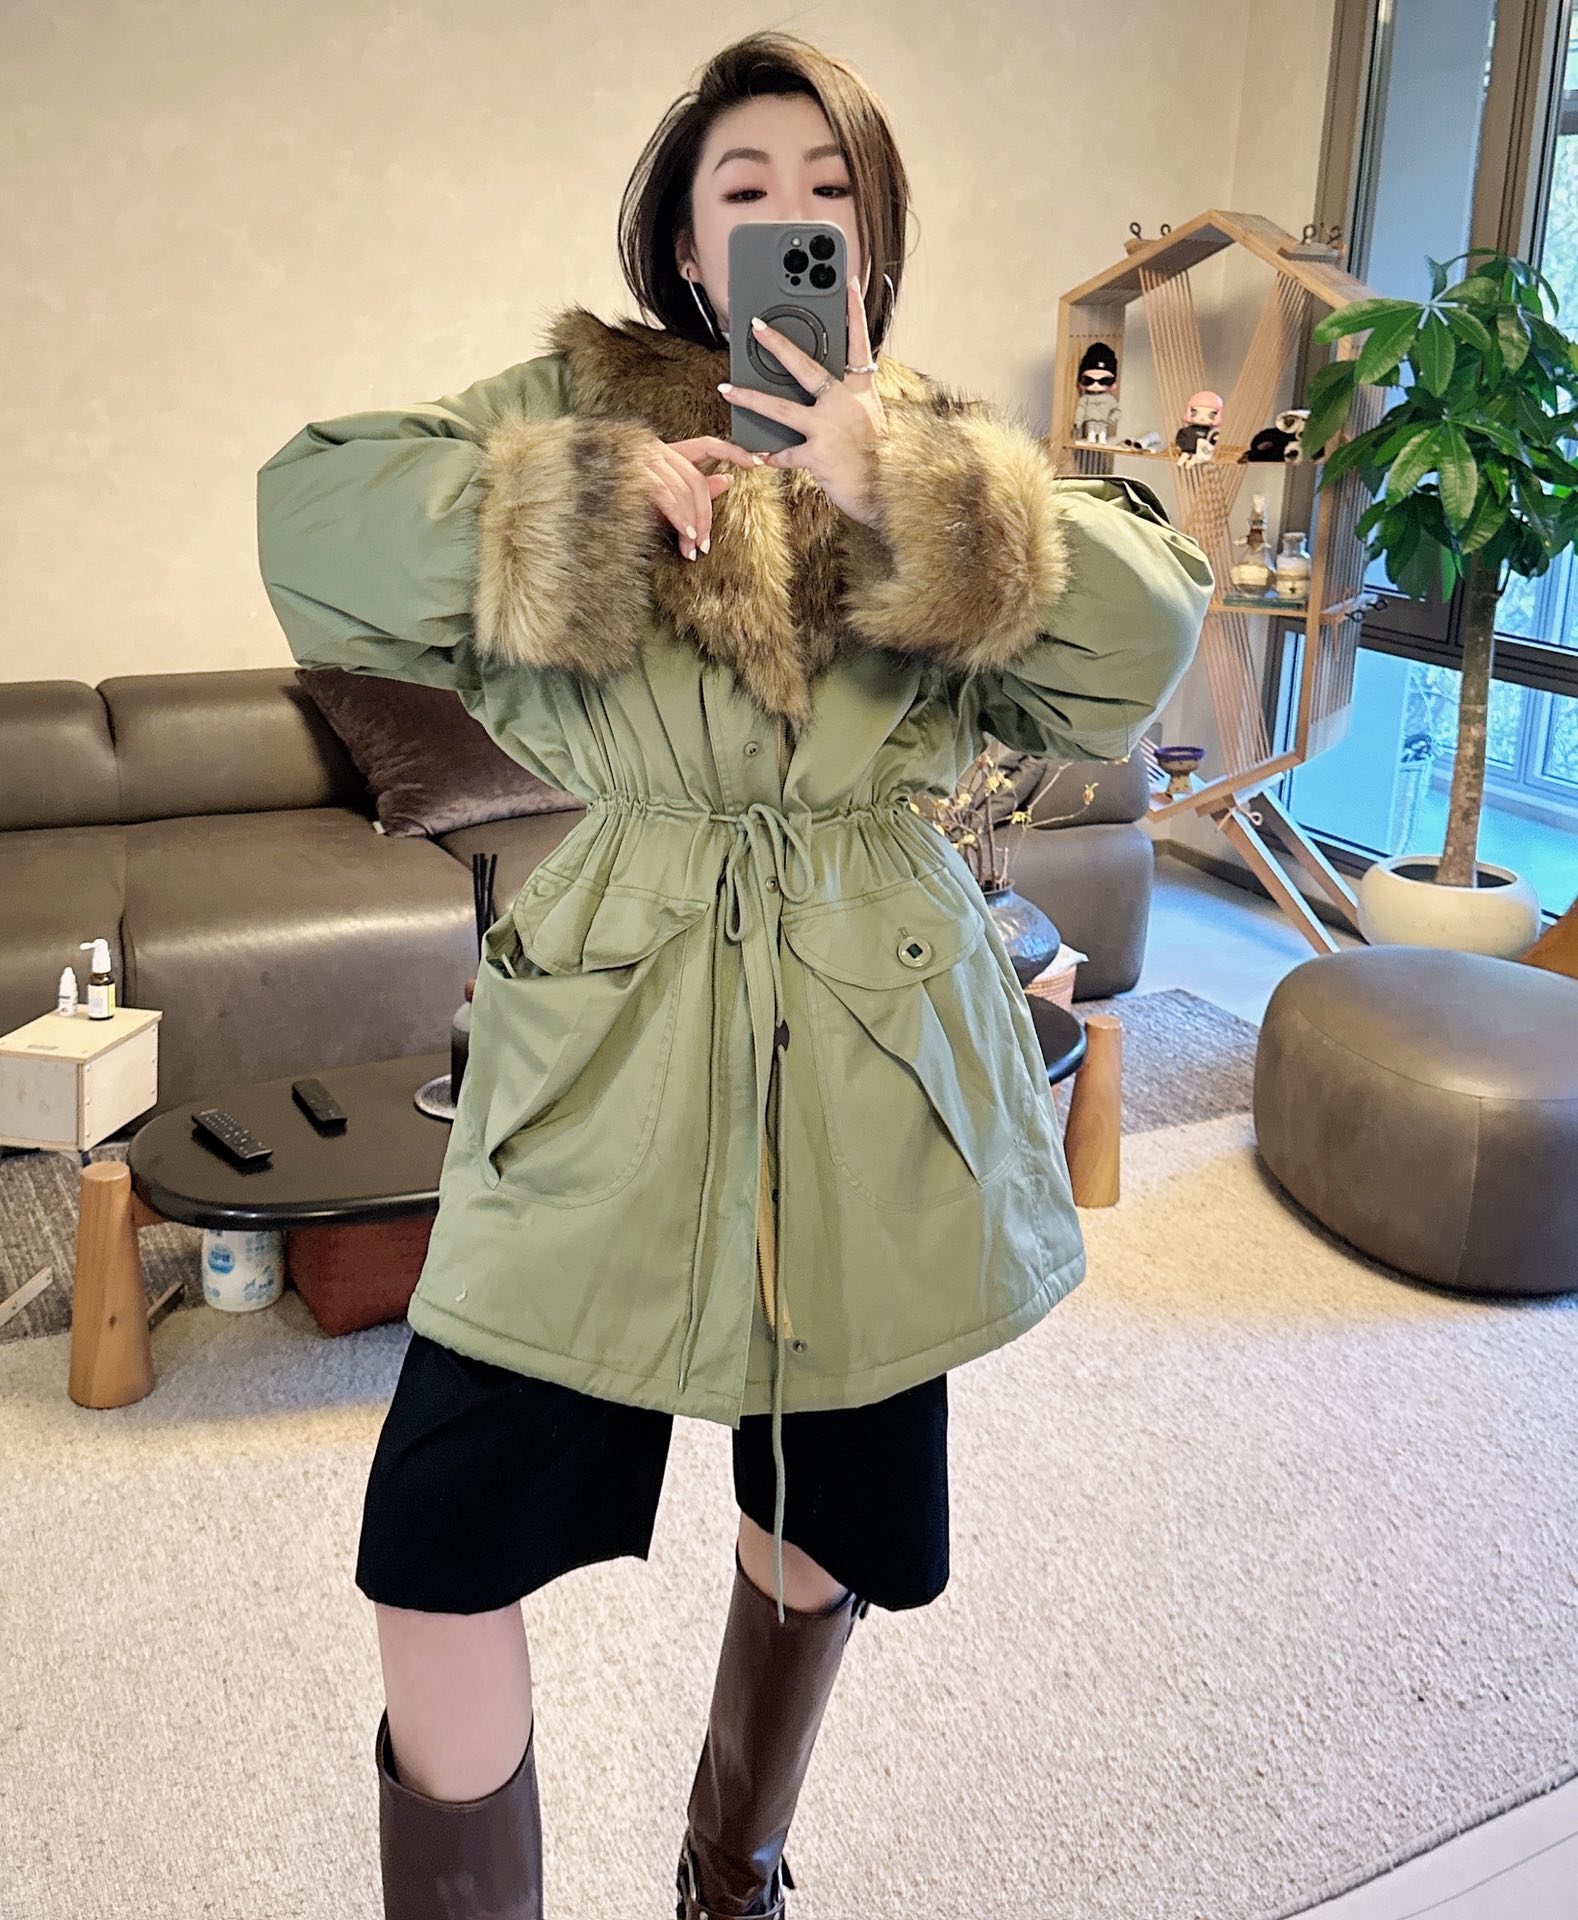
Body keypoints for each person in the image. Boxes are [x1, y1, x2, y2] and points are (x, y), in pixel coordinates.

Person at [255, 29, 1213, 1920]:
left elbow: (1139, 644)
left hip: (869, 1032)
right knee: (435, 1541)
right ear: (688, 245)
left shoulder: (943, 443)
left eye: (827, 194)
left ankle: (732, 1869)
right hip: (608, 1031)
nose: (788, 221)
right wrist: (577, 494)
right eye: (745, 191)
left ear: (875, 240)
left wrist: (915, 487)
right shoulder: (561, 407)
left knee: (821, 1509)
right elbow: (311, 525)